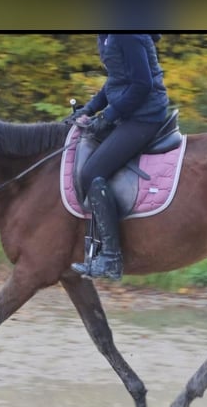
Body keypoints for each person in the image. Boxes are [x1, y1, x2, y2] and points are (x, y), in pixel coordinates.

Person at [67, 33, 170, 281]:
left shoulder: (127, 35)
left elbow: (142, 84)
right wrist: (89, 109)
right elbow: (116, 81)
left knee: (92, 172)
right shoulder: (106, 36)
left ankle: (111, 258)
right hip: (129, 113)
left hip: (145, 115)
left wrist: (108, 116)